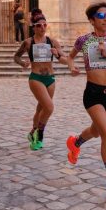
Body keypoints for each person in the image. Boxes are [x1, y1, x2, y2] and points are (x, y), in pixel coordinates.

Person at [66, 2, 106, 201]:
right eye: (101, 15)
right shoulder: (84, 40)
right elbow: (69, 57)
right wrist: (72, 67)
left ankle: (75, 142)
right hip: (92, 93)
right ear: (92, 20)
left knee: (96, 131)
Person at [14, 8, 68, 150]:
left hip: (50, 79)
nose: (42, 27)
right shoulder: (28, 42)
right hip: (36, 78)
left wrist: (57, 55)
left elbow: (64, 59)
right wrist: (23, 63)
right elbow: (16, 56)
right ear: (33, 27)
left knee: (41, 109)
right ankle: (40, 135)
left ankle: (33, 132)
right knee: (49, 107)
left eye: (44, 25)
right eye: (39, 25)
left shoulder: (52, 41)